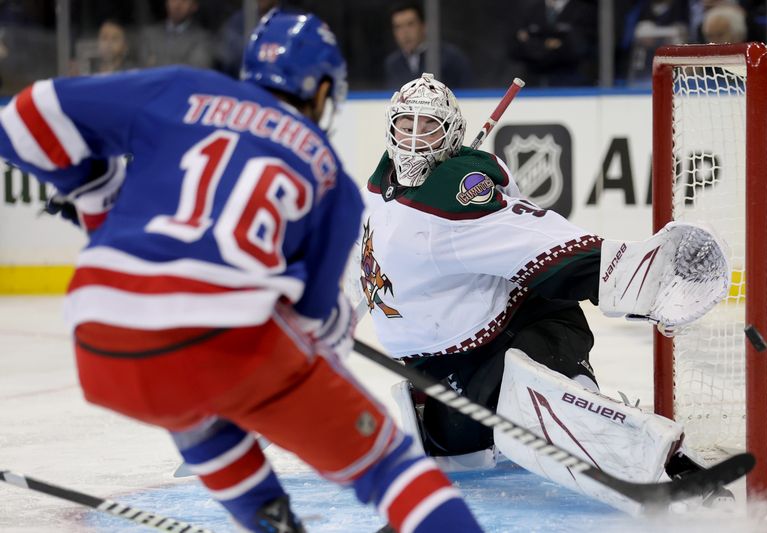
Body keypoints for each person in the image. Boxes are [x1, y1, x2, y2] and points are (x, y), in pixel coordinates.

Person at [0, 11, 483, 533]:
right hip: (223, 341)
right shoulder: (331, 180)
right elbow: (314, 327)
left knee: (198, 412)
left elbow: (22, 122)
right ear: (322, 89)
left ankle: (268, 520)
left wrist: (95, 192)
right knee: (391, 467)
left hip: (97, 333)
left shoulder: (183, 88)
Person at [350, 72, 733, 512]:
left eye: (429, 127)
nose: (415, 139)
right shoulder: (379, 189)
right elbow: (360, 267)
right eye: (407, 125)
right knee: (459, 457)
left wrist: (639, 278)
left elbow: (542, 243)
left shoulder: (452, 204)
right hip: (443, 369)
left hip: (520, 330)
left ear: (451, 133)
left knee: (556, 406)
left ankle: (663, 462)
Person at [384, 1, 472, 89]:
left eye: (410, 24)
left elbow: (469, 96)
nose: (404, 32)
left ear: (423, 26)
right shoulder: (392, 64)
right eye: (398, 27)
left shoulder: (450, 57)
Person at [509, 0, 598, 87]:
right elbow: (515, 47)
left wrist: (533, 43)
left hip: (570, 82)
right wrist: (550, 44)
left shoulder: (583, 9)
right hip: (533, 82)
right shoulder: (531, 9)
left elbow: (578, 48)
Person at [138, 0, 213, 69]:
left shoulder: (203, 38)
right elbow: (142, 69)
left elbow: (195, 70)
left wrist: (156, 63)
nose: (177, 5)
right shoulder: (149, 34)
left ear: (194, 6)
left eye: (184, 1)